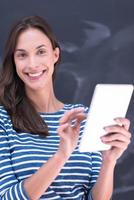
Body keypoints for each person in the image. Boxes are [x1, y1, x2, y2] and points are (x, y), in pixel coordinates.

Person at [0, 15, 131, 200]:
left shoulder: (82, 116)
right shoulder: (3, 120)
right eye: (22, 55)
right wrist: (61, 155)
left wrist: (109, 162)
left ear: (55, 55)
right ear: (14, 61)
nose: (32, 64)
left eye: (40, 52)